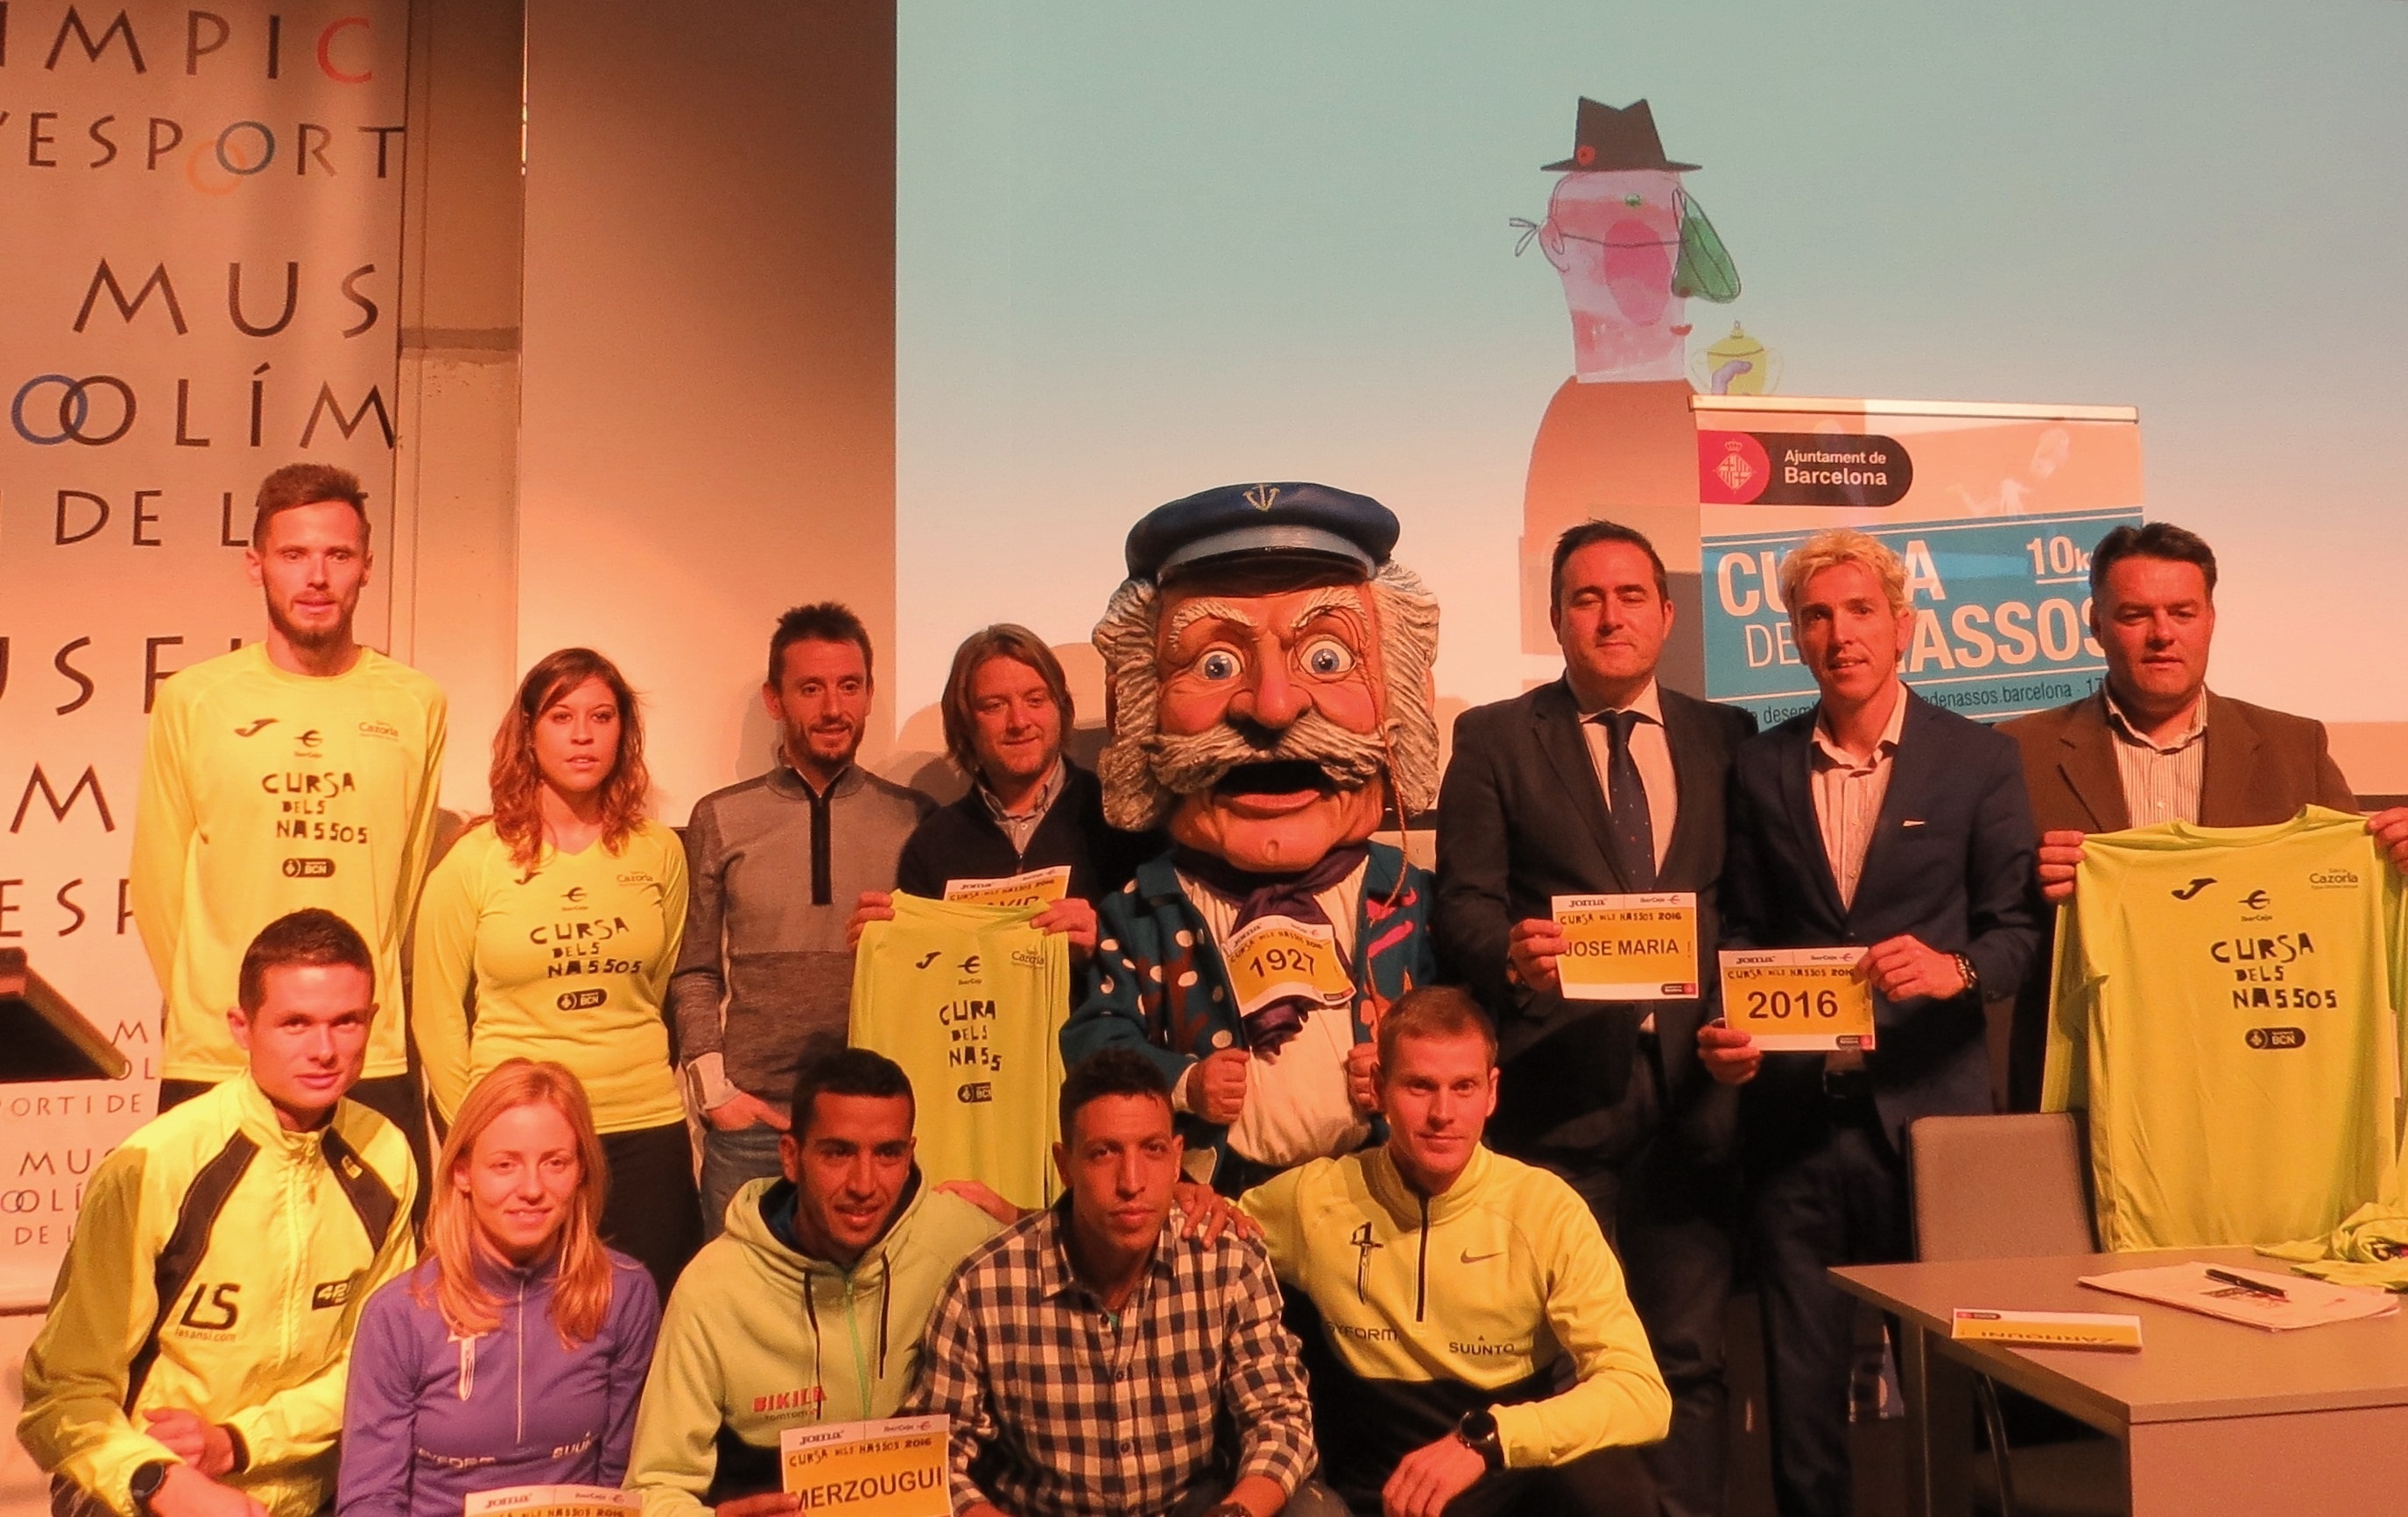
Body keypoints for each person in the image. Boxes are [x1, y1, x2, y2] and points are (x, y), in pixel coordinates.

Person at [1695, 530, 2041, 1517]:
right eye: (1816, 616)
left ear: (1902, 627)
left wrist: (1953, 969)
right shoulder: (1758, 765)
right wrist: (1728, 1025)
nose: (1839, 633)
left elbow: (2017, 934)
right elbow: (1745, 930)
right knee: (1800, 1402)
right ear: (1794, 635)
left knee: (1950, 1383)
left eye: (1858, 611)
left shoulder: (1978, 759)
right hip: (1794, 1125)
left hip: (1927, 1126)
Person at [1434, 519, 1755, 1517]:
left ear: (1666, 613)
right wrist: (1509, 952)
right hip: (1557, 1097)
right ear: (1554, 618)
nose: (1610, 616)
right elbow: (1462, 905)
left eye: (1629, 595)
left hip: (1695, 1099)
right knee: (1565, 1366)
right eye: (1586, 597)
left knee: (1688, 1359)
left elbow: (1749, 909)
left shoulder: (1727, 737)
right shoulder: (1494, 737)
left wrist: (1741, 1024)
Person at [1062, 483, 1445, 1196]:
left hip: (1379, 1199)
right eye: (1215, 664)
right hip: (1215, 1205)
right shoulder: (1144, 911)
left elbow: (1463, 1029)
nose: (1273, 706)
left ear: (1409, 693)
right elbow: (1095, 1041)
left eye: (1328, 657)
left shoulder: (1409, 897)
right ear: (1132, 707)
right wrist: (1183, 1082)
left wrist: (1406, 1069)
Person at [20, 909, 418, 1517]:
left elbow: (377, 1364)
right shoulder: (154, 1165)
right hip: (150, 1491)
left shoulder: (386, 1153)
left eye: (347, 1021)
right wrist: (159, 1480)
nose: (324, 1050)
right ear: (242, 1026)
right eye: (295, 1023)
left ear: (373, 1021)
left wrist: (236, 1441)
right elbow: (62, 1399)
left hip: (313, 1490)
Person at [2002, 520, 2408, 1108]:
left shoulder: (2294, 747)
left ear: (2211, 619)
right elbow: (1982, 922)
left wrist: (2394, 864)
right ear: (2096, 624)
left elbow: (2350, 907)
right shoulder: (2019, 751)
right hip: (2096, 1079)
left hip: (2254, 1078)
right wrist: (2031, 886)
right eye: (2135, 614)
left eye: (2182, 612)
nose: (2162, 634)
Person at [1243, 987, 1671, 1517]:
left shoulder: (1546, 1209)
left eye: (1464, 1087)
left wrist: (1488, 1439)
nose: (1442, 1113)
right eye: (1420, 1086)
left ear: (1491, 1092)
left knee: (1615, 1493)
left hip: (1506, 1479)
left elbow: (1641, 1394)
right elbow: (1196, 1224)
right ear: (1378, 1087)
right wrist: (1197, 1196)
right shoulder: (1314, 1199)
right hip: (1372, 1495)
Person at [130, 463, 447, 1172]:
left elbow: (404, 888)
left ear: (367, 566)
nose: (317, 576)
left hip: (368, 1053)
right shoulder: (193, 700)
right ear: (256, 564)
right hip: (221, 1052)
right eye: (294, 553)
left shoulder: (416, 702)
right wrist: (224, 1013)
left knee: (383, 1247)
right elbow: (157, 883)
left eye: (338, 554)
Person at [905, 1047, 1336, 1517]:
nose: (1131, 1182)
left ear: (1176, 1158)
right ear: (1065, 1165)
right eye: (1104, 1153)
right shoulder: (984, 1287)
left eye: (1152, 1150)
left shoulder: (1228, 1263)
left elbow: (1280, 1418)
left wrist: (1234, 1513)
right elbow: (935, 1458)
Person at [412, 648, 700, 1295]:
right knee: (522, 1324)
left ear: (623, 731)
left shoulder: (659, 851)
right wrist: (480, 1133)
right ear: (529, 731)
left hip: (643, 1126)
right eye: (562, 716)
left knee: (646, 1320)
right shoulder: (474, 860)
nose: (582, 735)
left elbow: (657, 988)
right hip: (523, 1141)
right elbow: (435, 1013)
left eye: (601, 716)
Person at [625, 1049, 1007, 1517]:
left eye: (887, 1154)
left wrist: (1023, 1215)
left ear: (909, 1155)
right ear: (791, 1156)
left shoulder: (963, 1241)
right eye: (838, 1153)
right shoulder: (712, 1289)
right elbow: (654, 1488)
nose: (863, 1184)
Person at [670, 604, 935, 1234]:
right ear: (775, 699)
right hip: (754, 1125)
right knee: (736, 1286)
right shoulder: (721, 816)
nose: (833, 708)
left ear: (870, 694)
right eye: (810, 688)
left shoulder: (915, 818)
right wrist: (716, 1091)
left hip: (871, 1125)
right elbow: (694, 970)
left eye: (849, 686)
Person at [337, 1060, 661, 1517]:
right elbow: (370, 1499)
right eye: (505, 1165)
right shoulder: (398, 1315)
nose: (532, 1188)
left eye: (555, 1163)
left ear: (581, 1172)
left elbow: (624, 1480)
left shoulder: (625, 1293)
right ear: (463, 1172)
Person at [852, 623, 1162, 953]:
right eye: (994, 705)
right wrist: (883, 950)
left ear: (1061, 707)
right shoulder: (931, 845)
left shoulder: (1124, 819)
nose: (1019, 722)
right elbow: (918, 972)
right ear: (964, 722)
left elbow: (1172, 954)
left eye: (1035, 700)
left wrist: (1107, 943)